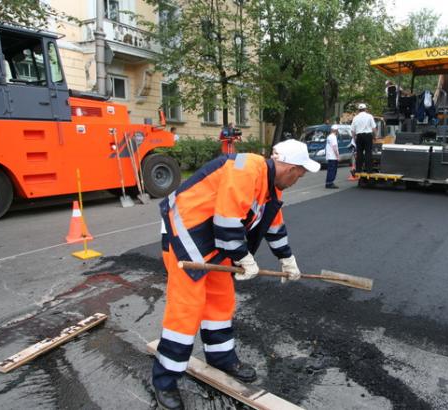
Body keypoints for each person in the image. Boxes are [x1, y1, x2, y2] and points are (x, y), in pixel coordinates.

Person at [151, 140, 320, 410]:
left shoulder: (270, 186)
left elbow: (273, 225)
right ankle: (165, 380)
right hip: (186, 234)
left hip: (214, 240)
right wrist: (243, 257)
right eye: (300, 172)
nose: (300, 178)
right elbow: (227, 219)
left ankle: (220, 357)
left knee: (221, 300)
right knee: (186, 309)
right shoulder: (246, 167)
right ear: (289, 167)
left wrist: (287, 259)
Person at [351, 103, 377, 174]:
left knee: (359, 153)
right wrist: (375, 136)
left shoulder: (355, 118)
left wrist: (354, 139)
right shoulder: (369, 116)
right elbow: (373, 128)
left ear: (358, 110)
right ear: (365, 109)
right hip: (368, 135)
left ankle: (358, 169)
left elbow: (353, 130)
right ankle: (369, 170)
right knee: (368, 152)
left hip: (359, 136)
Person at [325, 125, 340, 189]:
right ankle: (330, 183)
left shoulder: (329, 136)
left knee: (330, 170)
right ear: (336, 130)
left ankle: (328, 182)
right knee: (333, 170)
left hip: (329, 156)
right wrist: (337, 156)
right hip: (333, 156)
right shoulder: (333, 137)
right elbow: (334, 147)